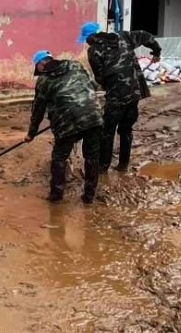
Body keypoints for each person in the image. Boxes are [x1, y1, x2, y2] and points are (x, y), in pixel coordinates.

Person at [79, 22, 161, 172]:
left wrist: (106, 85)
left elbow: (99, 77)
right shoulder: (123, 36)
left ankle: (103, 166)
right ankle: (123, 164)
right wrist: (157, 51)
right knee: (126, 129)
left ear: (89, 37)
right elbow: (146, 35)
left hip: (116, 97)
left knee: (107, 131)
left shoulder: (94, 50)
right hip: (134, 93)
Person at [28, 49, 103, 204]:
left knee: (59, 157)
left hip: (67, 123)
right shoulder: (76, 65)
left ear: (41, 64)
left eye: (38, 67)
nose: (39, 71)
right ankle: (89, 196)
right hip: (94, 116)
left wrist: (31, 133)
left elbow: (38, 110)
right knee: (92, 156)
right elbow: (94, 85)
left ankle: (56, 195)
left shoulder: (43, 80)